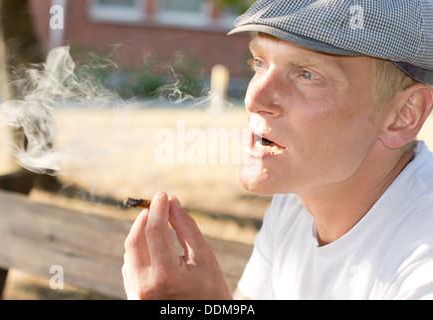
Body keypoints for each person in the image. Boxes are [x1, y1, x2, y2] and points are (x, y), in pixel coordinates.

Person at [122, 0, 433, 300]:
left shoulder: (423, 263)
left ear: (404, 113)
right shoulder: (296, 202)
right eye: (260, 62)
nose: (254, 99)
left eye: (307, 74)